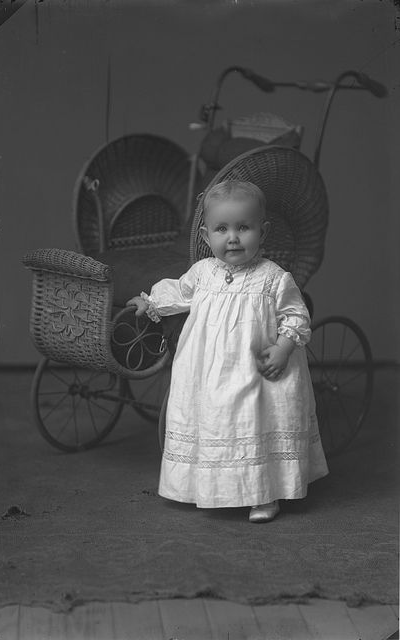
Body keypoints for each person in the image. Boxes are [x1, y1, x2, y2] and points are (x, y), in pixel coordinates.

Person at [127, 180, 328, 522]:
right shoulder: (204, 273)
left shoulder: (273, 278)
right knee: (216, 423)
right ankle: (204, 485)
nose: (232, 237)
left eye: (243, 228)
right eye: (222, 229)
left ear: (262, 232)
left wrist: (283, 347)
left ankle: (265, 493)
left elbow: (296, 315)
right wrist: (149, 302)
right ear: (207, 237)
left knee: (257, 422)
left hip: (258, 371)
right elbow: (179, 292)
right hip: (209, 371)